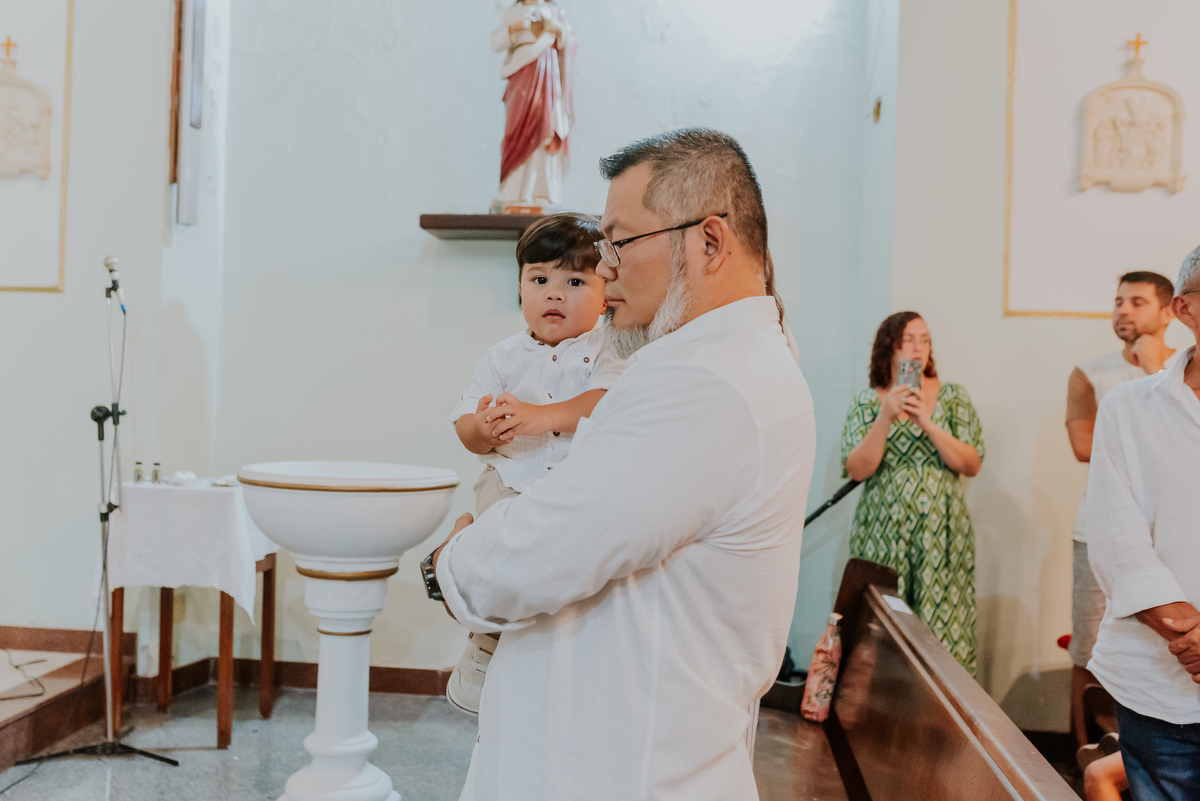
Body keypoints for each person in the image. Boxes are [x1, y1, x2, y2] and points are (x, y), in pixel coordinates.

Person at [424, 128, 815, 800]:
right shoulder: (722, 360)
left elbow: (547, 546)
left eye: (620, 242)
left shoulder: (709, 383)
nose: (604, 268)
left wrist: (447, 563)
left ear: (709, 241)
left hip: (622, 770)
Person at [446, 212, 626, 714]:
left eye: (574, 281)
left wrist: (537, 416)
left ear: (604, 291)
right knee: (495, 562)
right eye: (539, 279)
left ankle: (555, 673)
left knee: (564, 588)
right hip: (510, 479)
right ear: (520, 286)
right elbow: (464, 423)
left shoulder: (609, 345)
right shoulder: (502, 356)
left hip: (573, 489)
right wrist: (483, 430)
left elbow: (603, 402)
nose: (554, 294)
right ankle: (484, 648)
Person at [1087, 248, 1200, 801]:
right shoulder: (1128, 408)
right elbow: (1116, 536)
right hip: (1160, 681)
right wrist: (1188, 631)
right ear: (1186, 309)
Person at [1064, 271, 1176, 747]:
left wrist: (1156, 372)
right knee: (1089, 649)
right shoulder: (1091, 373)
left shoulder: (1186, 371)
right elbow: (1085, 445)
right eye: (1117, 302)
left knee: (1170, 649)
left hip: (1174, 537)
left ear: (1171, 312)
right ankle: (1085, 756)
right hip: (1100, 534)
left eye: (1137, 302)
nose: (1123, 311)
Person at [841, 312, 985, 674]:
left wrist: (927, 424)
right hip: (882, 532)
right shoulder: (867, 402)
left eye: (925, 339)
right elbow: (858, 469)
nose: (918, 349)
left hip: (942, 533)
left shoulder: (952, 397)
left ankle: (940, 721)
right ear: (889, 346)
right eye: (908, 340)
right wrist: (886, 416)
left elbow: (971, 463)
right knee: (883, 627)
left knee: (943, 628)